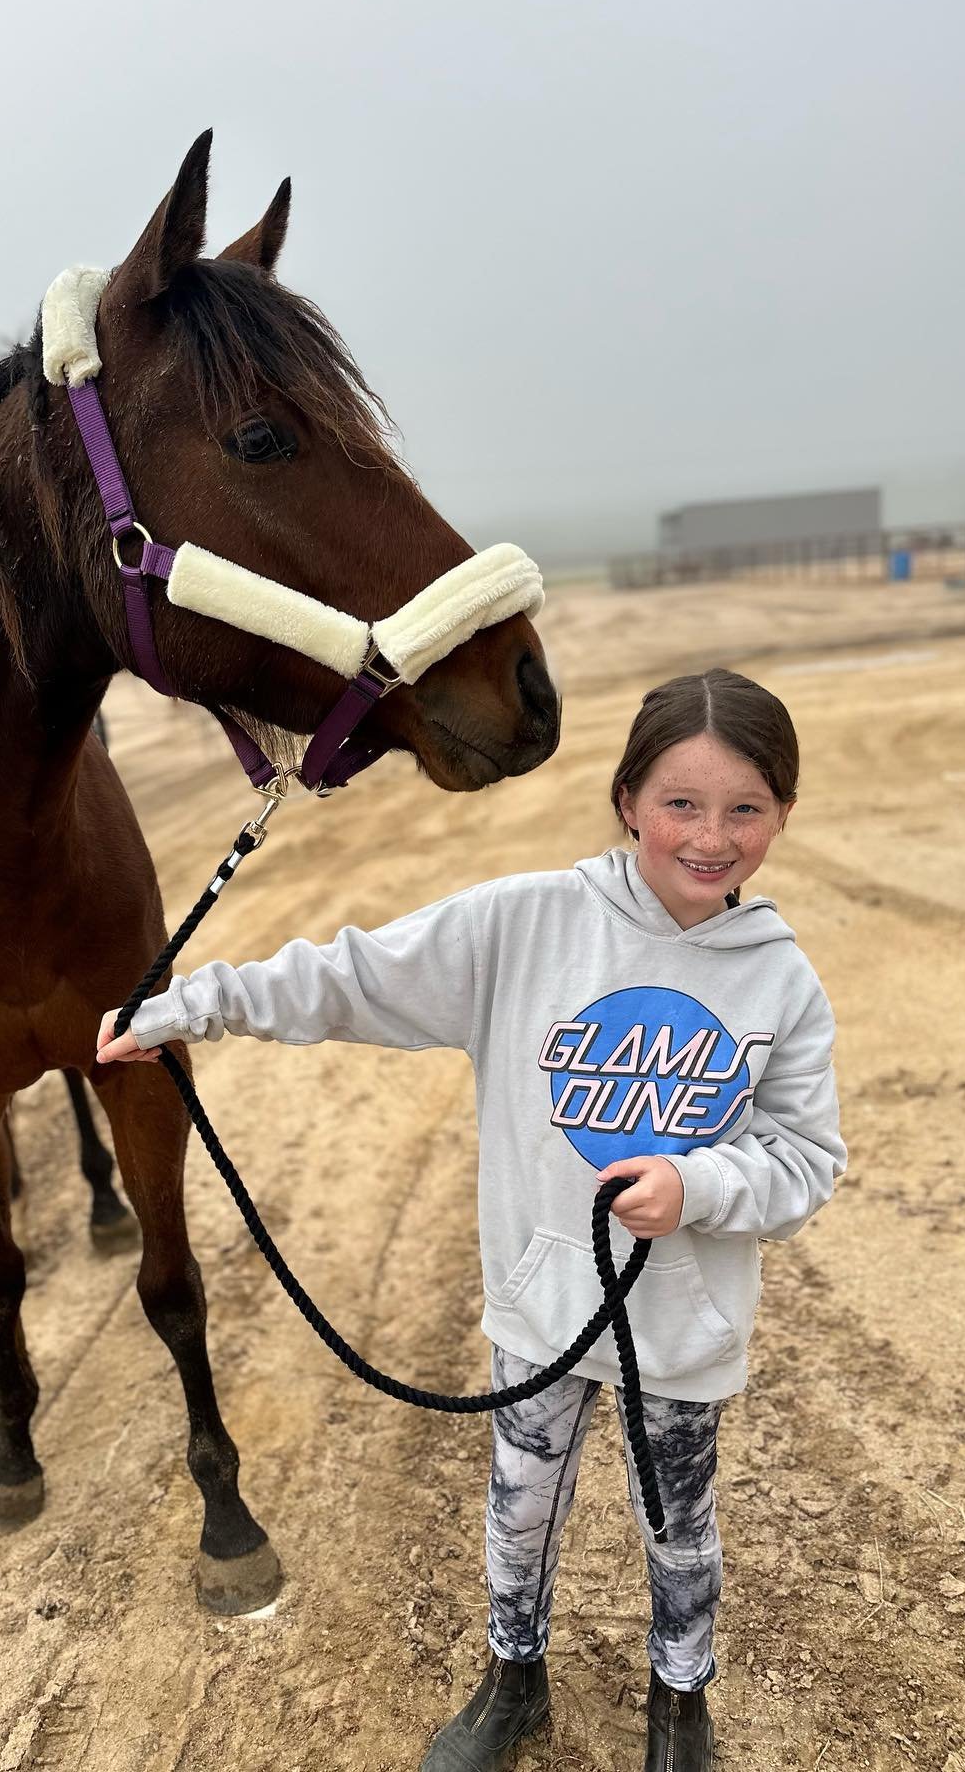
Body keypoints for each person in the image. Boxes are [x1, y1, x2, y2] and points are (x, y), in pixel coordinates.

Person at [97, 667, 846, 1772]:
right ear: (627, 799)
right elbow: (348, 977)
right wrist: (191, 1005)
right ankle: (514, 1679)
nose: (712, 835)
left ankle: (680, 1703)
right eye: (682, 803)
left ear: (782, 814)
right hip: (541, 1312)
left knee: (680, 1528)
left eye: (746, 808)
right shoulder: (525, 925)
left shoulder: (781, 985)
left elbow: (806, 1159)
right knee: (519, 1509)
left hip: (681, 1334)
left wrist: (701, 1190)